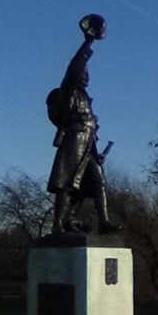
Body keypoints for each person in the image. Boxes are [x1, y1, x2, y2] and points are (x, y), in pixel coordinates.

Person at [47, 14, 121, 235]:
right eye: (84, 73)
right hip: (73, 142)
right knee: (67, 184)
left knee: (97, 182)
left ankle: (104, 222)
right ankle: (59, 224)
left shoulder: (85, 98)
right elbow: (74, 68)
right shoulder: (69, 93)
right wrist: (88, 41)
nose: (86, 76)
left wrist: (97, 153)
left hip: (88, 145)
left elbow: (92, 130)